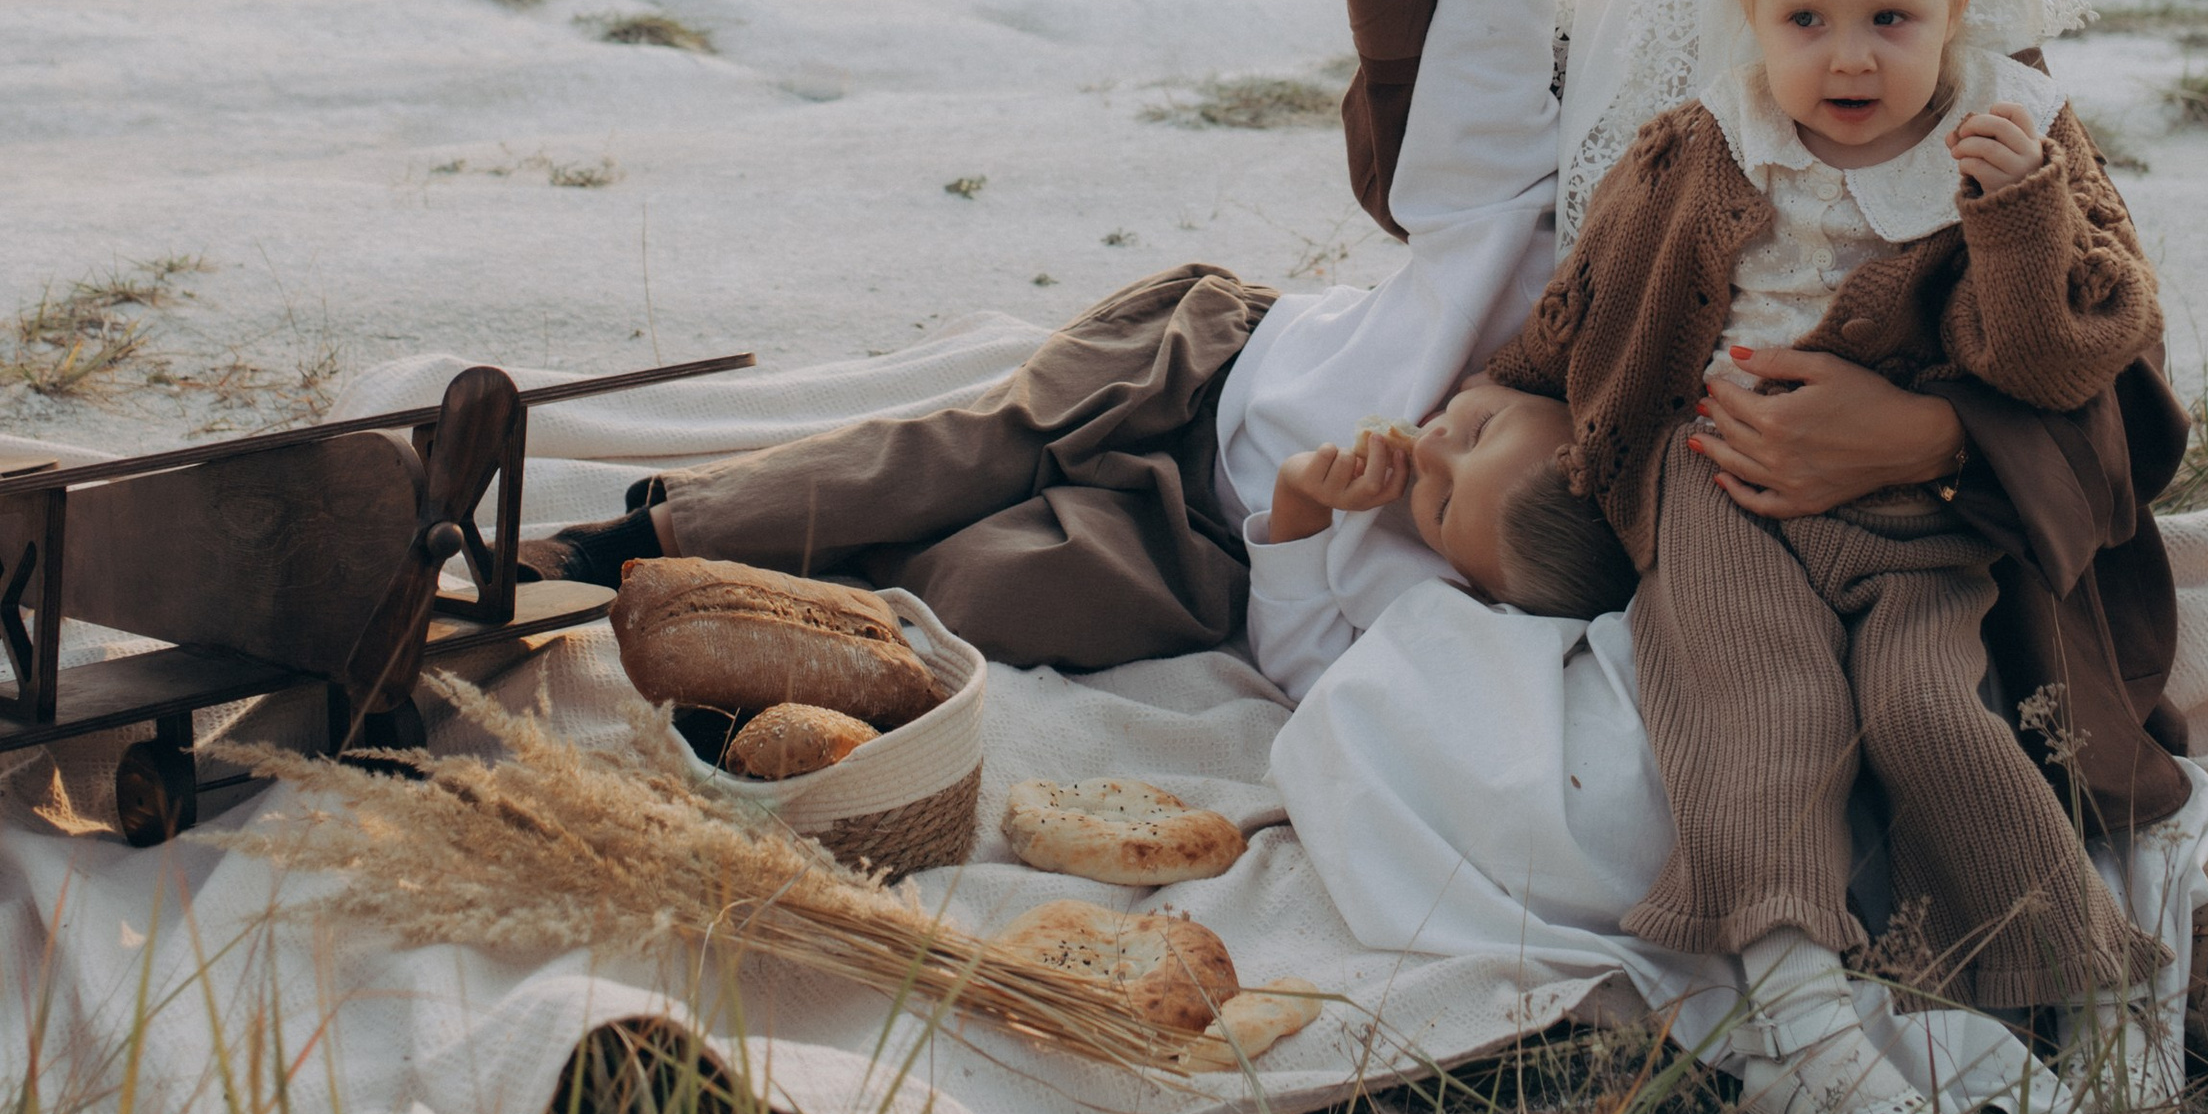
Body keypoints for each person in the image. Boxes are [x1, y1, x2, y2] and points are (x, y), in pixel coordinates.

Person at [1343, 0, 2193, 850]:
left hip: (1880, 554)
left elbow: (2120, 374)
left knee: (1605, 788)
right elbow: (1429, 196)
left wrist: (1937, 438)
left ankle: (2153, 900)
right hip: (1615, 486)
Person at [1486, 0, 2173, 1114]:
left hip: (1915, 511)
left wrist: (2016, 210)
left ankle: (2088, 985)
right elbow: (1587, 305)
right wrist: (1510, 397)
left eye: (1889, 23)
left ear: (1958, 3)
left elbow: (2066, 359)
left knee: (1933, 707)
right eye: (1806, 24)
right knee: (1760, 703)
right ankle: (1795, 1007)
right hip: (1722, 486)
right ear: (1754, 13)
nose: (1848, 59)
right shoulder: (1704, 142)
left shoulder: (2017, 149)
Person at [524, 275, 1630, 704]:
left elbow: (1308, 667)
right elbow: (1471, 132)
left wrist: (1294, 523)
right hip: (1199, 363)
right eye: (1472, 428)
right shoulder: (1491, 306)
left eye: (1436, 509)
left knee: (989, 592)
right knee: (963, 457)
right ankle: (627, 538)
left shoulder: (1450, 583)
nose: (1424, 452)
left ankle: (745, 585)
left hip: (1211, 537)